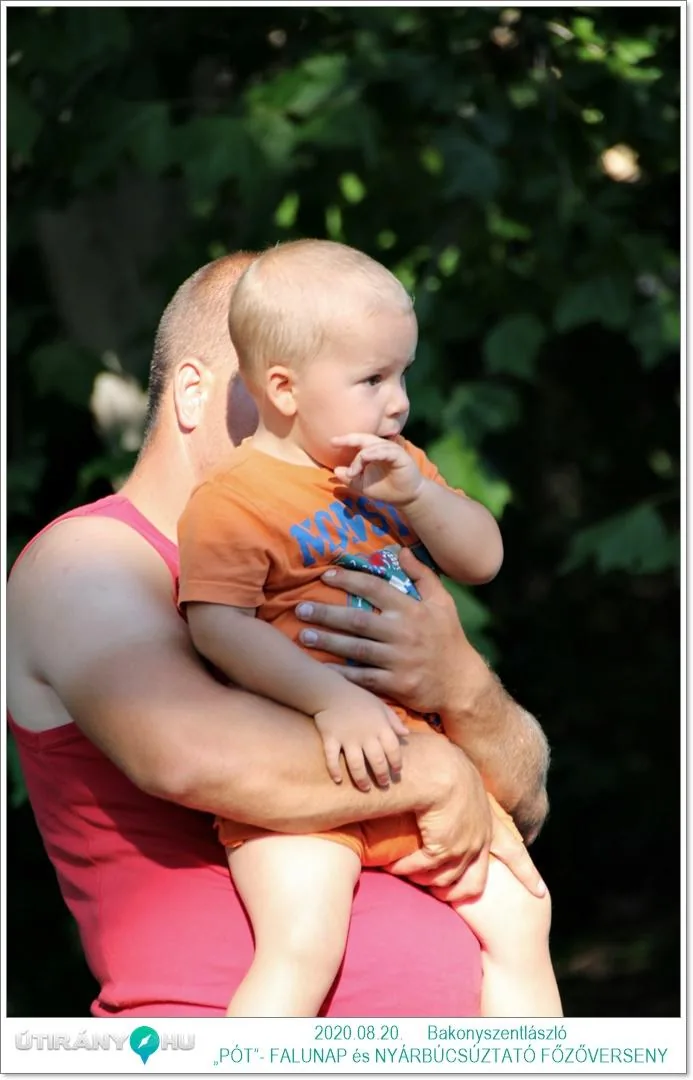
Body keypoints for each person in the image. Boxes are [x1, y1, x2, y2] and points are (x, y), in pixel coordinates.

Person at [7, 249, 551, 1019]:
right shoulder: (93, 558)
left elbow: (521, 802)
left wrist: (459, 683)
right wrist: (433, 770)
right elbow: (189, 754)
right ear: (199, 392)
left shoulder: (358, 516)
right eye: (263, 392)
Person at [177, 239, 561, 1019]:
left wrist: (419, 495)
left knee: (524, 916)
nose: (398, 402)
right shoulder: (233, 500)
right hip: (305, 779)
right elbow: (217, 626)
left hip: (410, 759)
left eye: (402, 375)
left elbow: (482, 557)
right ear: (283, 388)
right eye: (372, 379)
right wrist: (328, 698)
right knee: (303, 941)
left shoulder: (393, 470)